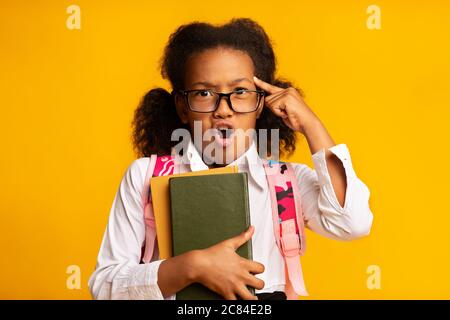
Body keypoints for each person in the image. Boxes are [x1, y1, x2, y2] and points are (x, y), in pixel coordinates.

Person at [88, 18, 373, 300]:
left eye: (240, 92)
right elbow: (104, 286)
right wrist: (192, 266)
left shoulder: (287, 182)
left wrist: (312, 124)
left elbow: (353, 223)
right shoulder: (145, 177)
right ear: (182, 107)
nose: (223, 110)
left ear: (260, 103)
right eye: (203, 93)